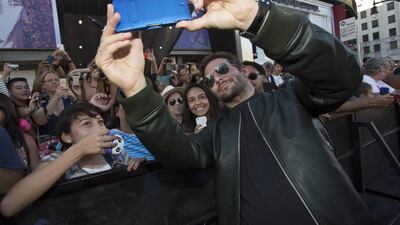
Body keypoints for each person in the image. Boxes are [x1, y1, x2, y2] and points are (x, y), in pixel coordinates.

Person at [95, 1, 371, 225]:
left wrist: (257, 19)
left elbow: (341, 77)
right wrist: (136, 88)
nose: (217, 79)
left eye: (223, 70)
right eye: (208, 79)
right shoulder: (217, 132)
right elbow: (179, 156)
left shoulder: (292, 98)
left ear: (241, 69)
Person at [0, 103, 144, 217]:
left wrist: (139, 165)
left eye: (100, 122)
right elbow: (9, 206)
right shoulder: (56, 159)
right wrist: (78, 150)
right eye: (87, 124)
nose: (102, 130)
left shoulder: (116, 154)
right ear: (67, 137)